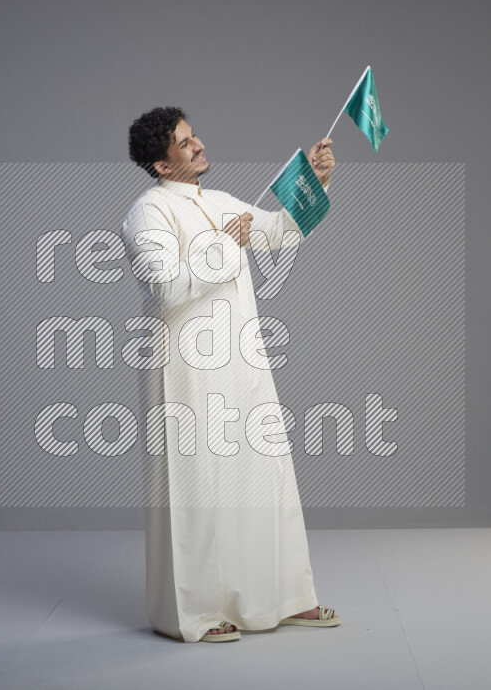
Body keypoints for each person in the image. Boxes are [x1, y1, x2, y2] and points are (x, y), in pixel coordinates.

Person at [122, 106, 340, 642]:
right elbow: (164, 287)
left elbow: (280, 231)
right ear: (162, 165)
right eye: (184, 143)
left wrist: (315, 181)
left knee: (263, 475)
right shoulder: (147, 213)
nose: (198, 145)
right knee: (196, 483)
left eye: (194, 136)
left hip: (243, 359)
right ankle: (195, 612)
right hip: (187, 368)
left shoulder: (219, 201)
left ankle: (285, 597)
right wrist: (225, 244)